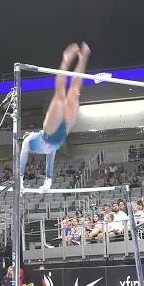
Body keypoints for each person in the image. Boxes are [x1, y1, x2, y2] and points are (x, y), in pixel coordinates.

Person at [19, 42, 91, 191]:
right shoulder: (29, 141)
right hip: (57, 136)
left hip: (53, 135)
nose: (27, 134)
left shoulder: (32, 140)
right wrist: (23, 179)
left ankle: (74, 60)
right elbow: (44, 157)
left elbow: (48, 156)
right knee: (68, 92)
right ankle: (75, 60)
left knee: (65, 93)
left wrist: (46, 181)